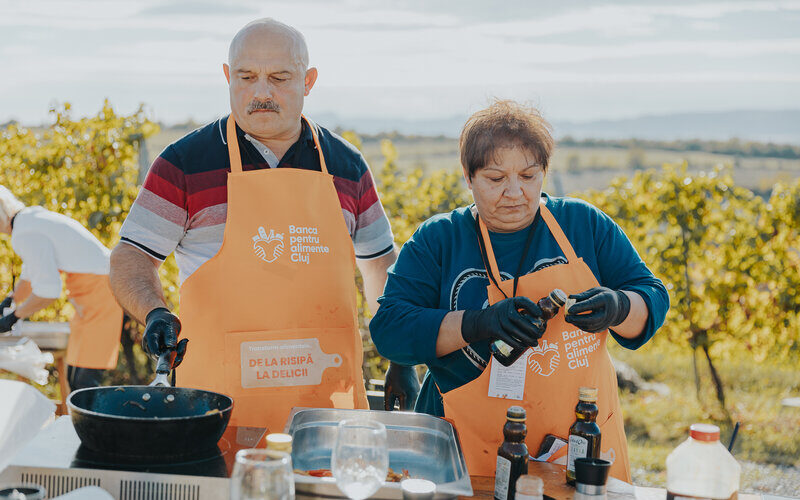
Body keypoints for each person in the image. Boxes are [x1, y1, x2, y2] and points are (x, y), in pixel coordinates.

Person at [110, 18, 417, 430]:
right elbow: (130, 257)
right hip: (216, 414)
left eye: (279, 77)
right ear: (227, 76)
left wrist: (400, 355)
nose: (261, 92)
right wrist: (154, 313)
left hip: (327, 415)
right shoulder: (184, 164)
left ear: (308, 81)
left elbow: (380, 267)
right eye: (247, 76)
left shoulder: (347, 167)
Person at [370, 101, 669, 481]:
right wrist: (478, 323)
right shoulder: (439, 239)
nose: (515, 192)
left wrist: (620, 306)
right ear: (468, 176)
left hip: (574, 441)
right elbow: (391, 329)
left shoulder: (582, 224)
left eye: (529, 175)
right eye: (496, 179)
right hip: (462, 448)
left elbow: (654, 296)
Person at [0, 186, 124, 390]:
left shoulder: (23, 233)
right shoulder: (29, 219)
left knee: (84, 385)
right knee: (75, 378)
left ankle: (96, 422)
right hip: (92, 297)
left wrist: (14, 316)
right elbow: (30, 274)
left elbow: (48, 292)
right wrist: (11, 300)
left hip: (101, 294)